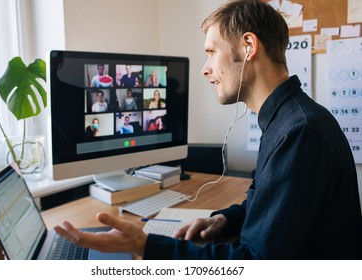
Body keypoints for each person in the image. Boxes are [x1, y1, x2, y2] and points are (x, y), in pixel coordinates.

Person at [55, 0, 362, 259]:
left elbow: (253, 263)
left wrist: (145, 245)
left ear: (249, 46)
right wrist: (224, 220)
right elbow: (266, 203)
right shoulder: (290, 119)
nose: (205, 68)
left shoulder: (298, 133)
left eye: (212, 52)